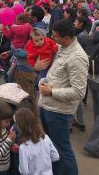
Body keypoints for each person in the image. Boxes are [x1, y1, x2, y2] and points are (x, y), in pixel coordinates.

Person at [37, 19, 88, 175]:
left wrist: (52, 91)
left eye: (56, 36)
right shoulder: (60, 47)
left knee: (62, 150)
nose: (53, 39)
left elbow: (79, 92)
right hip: (47, 106)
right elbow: (56, 73)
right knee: (52, 148)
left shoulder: (77, 57)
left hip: (58, 111)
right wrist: (43, 78)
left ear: (67, 37)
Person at [16, 107, 59, 175]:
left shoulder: (23, 147)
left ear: (20, 127)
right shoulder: (46, 138)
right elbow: (56, 157)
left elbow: (24, 171)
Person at [0, 101, 15, 175]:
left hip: (6, 165)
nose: (9, 124)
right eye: (6, 122)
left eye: (10, 121)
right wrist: (9, 140)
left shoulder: (3, 129)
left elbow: (6, 146)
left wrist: (12, 140)